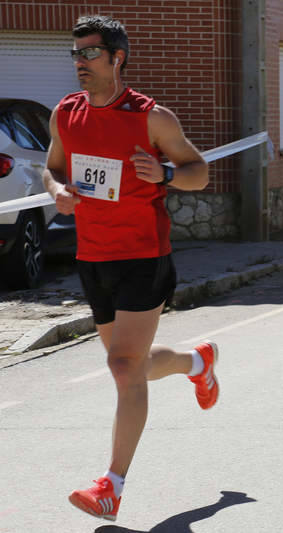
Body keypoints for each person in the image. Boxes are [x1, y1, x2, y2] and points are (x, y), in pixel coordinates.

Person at [41, 16, 218, 521]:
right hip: (92, 255)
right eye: (75, 54)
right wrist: (57, 192)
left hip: (144, 254)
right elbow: (53, 167)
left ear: (118, 57)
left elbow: (199, 172)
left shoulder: (151, 117)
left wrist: (163, 172)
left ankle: (111, 485)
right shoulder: (65, 114)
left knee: (122, 367)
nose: (80, 63)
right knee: (131, 366)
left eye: (90, 54)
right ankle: (197, 363)